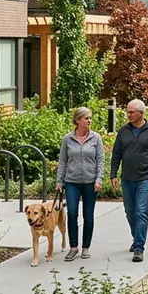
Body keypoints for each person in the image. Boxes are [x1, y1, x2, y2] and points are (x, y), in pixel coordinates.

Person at [110, 99, 148, 263]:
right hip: (127, 178)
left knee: (141, 212)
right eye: (127, 112)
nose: (128, 115)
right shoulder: (123, 131)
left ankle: (139, 248)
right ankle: (137, 238)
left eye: (131, 112)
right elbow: (116, 154)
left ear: (141, 113)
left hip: (144, 178)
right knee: (130, 212)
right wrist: (113, 174)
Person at [56, 107, 105, 262]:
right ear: (77, 120)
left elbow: (100, 160)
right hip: (72, 182)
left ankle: (85, 247)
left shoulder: (96, 138)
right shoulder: (67, 139)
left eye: (90, 118)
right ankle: (73, 247)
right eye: (86, 118)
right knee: (71, 214)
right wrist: (59, 181)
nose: (89, 121)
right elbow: (63, 161)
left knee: (88, 216)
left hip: (91, 183)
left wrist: (99, 179)